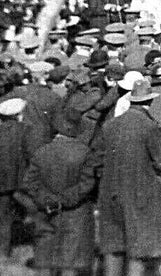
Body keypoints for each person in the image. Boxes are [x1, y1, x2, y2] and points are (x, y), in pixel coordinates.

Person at [95, 79, 161, 276]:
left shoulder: (110, 125)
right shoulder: (149, 126)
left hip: (110, 191)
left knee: (114, 244)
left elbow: (97, 160)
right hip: (140, 192)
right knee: (138, 246)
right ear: (150, 101)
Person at [20, 110, 99, 276]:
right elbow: (87, 184)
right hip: (76, 214)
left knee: (45, 258)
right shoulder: (84, 153)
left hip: (46, 212)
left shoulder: (41, 152)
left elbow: (29, 182)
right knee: (70, 261)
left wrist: (48, 200)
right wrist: (63, 200)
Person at [0, 97, 28, 257]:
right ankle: (4, 250)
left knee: (3, 215)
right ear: (17, 115)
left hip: (3, 180)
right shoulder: (25, 130)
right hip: (16, 180)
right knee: (7, 216)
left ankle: (3, 249)